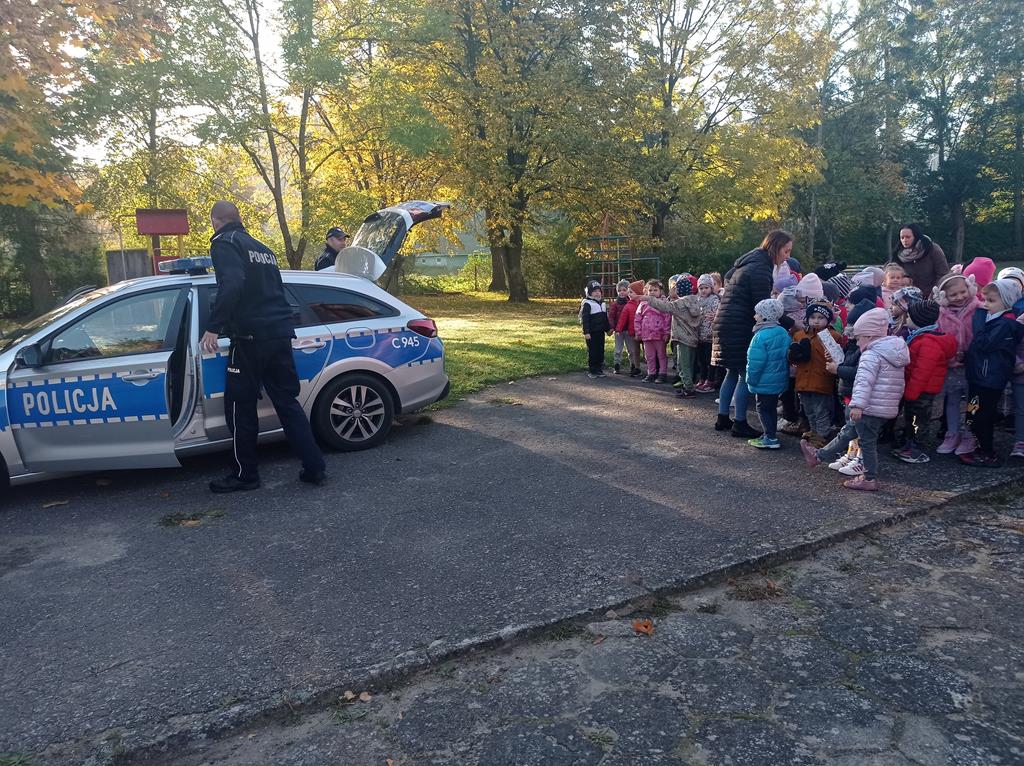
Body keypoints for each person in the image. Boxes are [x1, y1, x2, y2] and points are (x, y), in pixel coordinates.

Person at [200, 201, 327, 492]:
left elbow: (232, 284)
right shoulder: (263, 250)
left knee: (239, 407)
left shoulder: (225, 242)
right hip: (280, 334)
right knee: (287, 402)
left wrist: (213, 327)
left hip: (249, 339)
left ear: (215, 221)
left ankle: (245, 475)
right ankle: (315, 467)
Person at [801, 308, 909, 491]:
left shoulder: (871, 355)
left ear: (869, 336)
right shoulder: (894, 351)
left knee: (866, 443)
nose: (857, 343)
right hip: (881, 407)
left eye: (859, 338)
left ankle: (869, 478)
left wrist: (857, 405)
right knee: (848, 432)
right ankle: (818, 456)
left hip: (868, 407)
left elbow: (864, 382)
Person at [712, 229, 794, 439]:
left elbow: (730, 280)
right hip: (739, 326)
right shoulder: (761, 268)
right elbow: (764, 306)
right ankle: (740, 422)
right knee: (744, 374)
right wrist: (792, 323)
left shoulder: (747, 263)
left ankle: (723, 417)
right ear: (775, 247)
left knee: (731, 372)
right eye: (786, 251)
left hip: (725, 323)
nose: (787, 256)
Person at [960, 279, 1024, 466]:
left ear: (1007, 301)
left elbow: (984, 343)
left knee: (982, 416)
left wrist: (979, 318)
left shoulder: (1005, 323)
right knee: (973, 413)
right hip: (980, 376)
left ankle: (987, 453)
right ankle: (978, 448)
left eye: (991, 301)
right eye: (984, 300)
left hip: (989, 379)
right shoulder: (996, 318)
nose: (985, 305)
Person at [896, 300, 956, 464]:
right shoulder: (922, 337)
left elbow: (922, 371)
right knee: (912, 418)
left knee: (918, 420)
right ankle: (909, 444)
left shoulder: (928, 342)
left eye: (909, 316)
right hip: (918, 388)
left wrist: (910, 393)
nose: (907, 319)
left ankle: (916, 450)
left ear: (918, 320)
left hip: (921, 390)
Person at [933, 272, 980, 455]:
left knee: (972, 401)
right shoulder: (941, 314)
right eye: (953, 295)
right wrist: (949, 357)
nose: (960, 297)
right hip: (952, 366)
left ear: (970, 289)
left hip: (973, 365)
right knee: (952, 400)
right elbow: (938, 338)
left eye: (963, 292)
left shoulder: (979, 308)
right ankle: (952, 433)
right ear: (943, 297)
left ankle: (969, 434)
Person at [789, 301, 843, 447]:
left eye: (821, 317)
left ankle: (822, 435)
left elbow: (839, 358)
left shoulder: (833, 336)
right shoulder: (800, 335)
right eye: (812, 317)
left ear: (828, 320)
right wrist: (793, 354)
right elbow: (792, 358)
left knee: (821, 410)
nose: (816, 321)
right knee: (808, 409)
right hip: (803, 380)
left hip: (822, 380)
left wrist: (832, 357)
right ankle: (814, 431)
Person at [636, 275, 701, 397]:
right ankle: (688, 385)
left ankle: (689, 389)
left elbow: (665, 307)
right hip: (693, 338)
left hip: (682, 338)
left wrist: (647, 298)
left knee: (684, 364)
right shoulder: (696, 301)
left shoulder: (679, 303)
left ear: (679, 291)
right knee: (689, 363)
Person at [745, 299, 790, 449]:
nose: (755, 316)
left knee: (763, 408)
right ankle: (770, 433)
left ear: (765, 316)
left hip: (764, 380)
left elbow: (755, 362)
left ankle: (770, 437)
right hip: (778, 379)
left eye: (757, 314)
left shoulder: (760, 336)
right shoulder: (782, 332)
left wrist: (751, 379)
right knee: (771, 407)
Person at [890, 224, 949, 297]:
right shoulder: (898, 253)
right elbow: (890, 272)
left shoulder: (932, 249)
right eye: (902, 238)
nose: (905, 240)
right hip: (908, 296)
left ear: (916, 237)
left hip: (933, 295)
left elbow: (943, 274)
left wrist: (933, 294)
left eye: (908, 237)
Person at [634, 279, 672, 383]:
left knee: (661, 355)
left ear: (661, 291)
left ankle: (662, 373)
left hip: (659, 334)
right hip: (646, 335)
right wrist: (638, 332)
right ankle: (651, 373)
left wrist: (667, 333)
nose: (652, 292)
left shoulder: (664, 303)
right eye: (650, 290)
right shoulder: (643, 303)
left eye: (655, 290)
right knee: (649, 356)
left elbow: (667, 318)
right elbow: (637, 318)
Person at [580, 280, 612, 378]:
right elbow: (585, 319)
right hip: (591, 333)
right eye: (594, 291)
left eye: (599, 291)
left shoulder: (603, 304)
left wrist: (608, 329)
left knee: (600, 351)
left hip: (600, 332)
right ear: (589, 293)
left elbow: (605, 319)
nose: (597, 293)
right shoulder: (587, 304)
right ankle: (592, 370)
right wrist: (586, 332)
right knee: (593, 352)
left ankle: (599, 369)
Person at [695, 274, 719, 391]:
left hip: (710, 335)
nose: (703, 290)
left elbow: (717, 314)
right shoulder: (697, 300)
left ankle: (710, 381)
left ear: (711, 288)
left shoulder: (715, 300)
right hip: (700, 335)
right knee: (702, 360)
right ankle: (702, 378)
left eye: (706, 287)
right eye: (701, 288)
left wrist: (715, 317)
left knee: (710, 360)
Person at [615, 280, 644, 377]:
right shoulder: (628, 305)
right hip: (633, 332)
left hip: (645, 331)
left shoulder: (644, 303)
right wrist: (618, 329)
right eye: (629, 292)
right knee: (635, 350)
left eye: (631, 292)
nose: (629, 294)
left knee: (648, 351)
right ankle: (636, 367)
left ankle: (652, 369)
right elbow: (622, 319)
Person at [607, 279, 632, 374]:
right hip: (618, 331)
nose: (622, 292)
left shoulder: (631, 303)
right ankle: (617, 364)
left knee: (631, 349)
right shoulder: (614, 304)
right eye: (619, 290)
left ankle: (633, 365)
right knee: (618, 349)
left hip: (629, 330)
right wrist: (612, 327)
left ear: (628, 291)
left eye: (624, 290)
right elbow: (611, 317)